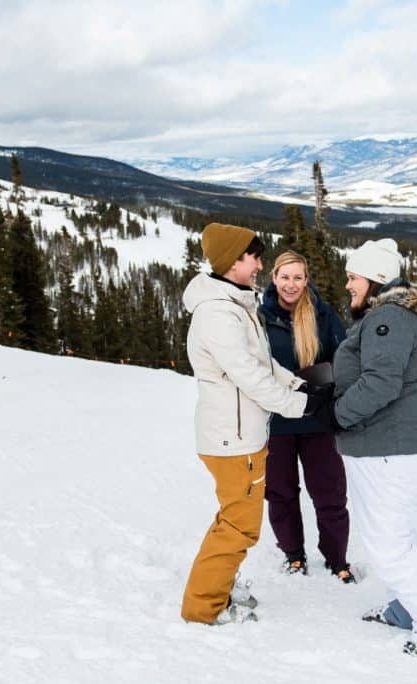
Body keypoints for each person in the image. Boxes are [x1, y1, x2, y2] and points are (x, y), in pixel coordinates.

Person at [316, 237, 417, 657]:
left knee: (389, 544)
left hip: (397, 449)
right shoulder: (383, 316)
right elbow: (365, 366)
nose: (347, 285)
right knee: (395, 536)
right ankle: (410, 607)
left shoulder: (390, 318)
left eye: (353, 277)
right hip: (384, 446)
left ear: (375, 278)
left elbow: (382, 381)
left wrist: (337, 415)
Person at [180, 223, 327, 625]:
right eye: (254, 257)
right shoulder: (219, 315)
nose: (261, 264)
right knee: (238, 527)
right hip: (232, 439)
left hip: (242, 435)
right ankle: (203, 608)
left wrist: (300, 385)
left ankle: (219, 589)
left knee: (234, 520)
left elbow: (265, 364)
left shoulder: (236, 306)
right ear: (233, 262)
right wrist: (301, 406)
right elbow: (250, 377)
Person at [259, 250, 355, 583]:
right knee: (281, 493)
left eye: (298, 277)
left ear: (306, 279)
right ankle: (294, 554)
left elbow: (343, 359)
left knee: (329, 492)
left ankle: (336, 557)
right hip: (276, 422)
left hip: (317, 419)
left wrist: (332, 397)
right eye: (285, 277)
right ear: (274, 278)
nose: (291, 284)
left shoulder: (323, 315)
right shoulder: (260, 318)